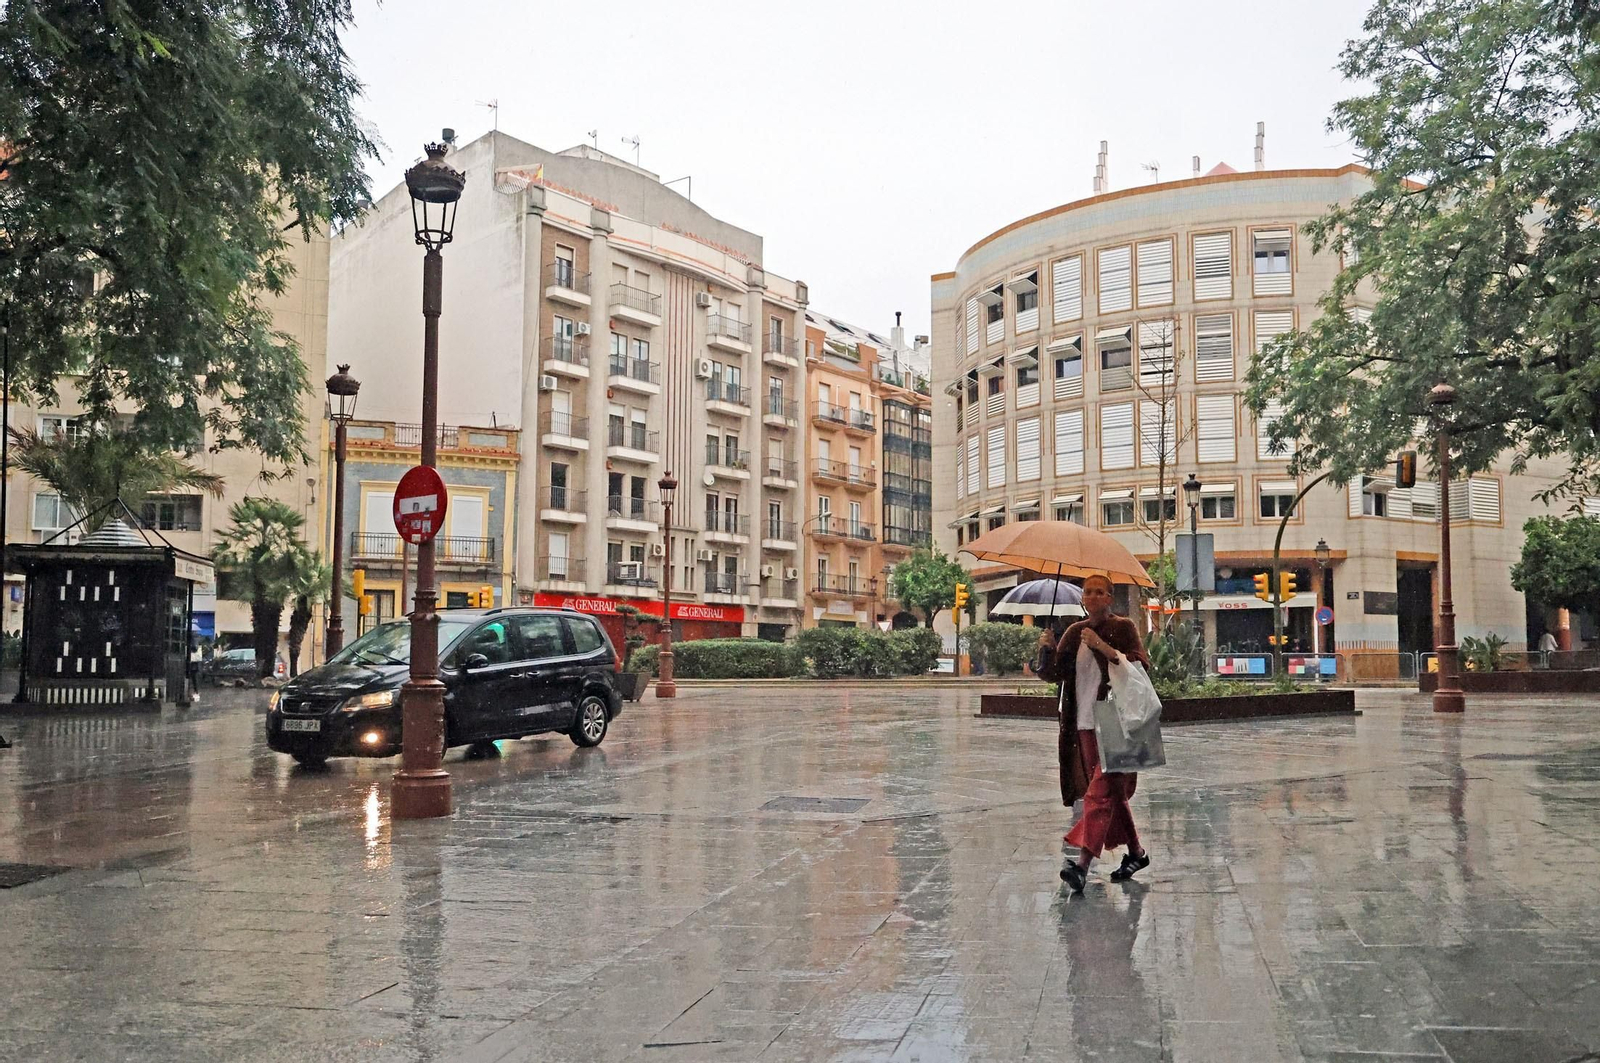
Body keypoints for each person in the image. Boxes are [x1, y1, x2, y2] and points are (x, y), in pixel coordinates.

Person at [1038, 574, 1151, 892]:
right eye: (1088, 592)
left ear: (1110, 597)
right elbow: (1055, 675)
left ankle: (1082, 865)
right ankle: (1137, 853)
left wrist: (1104, 647)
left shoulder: (1123, 627)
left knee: (1098, 794)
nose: (1093, 597)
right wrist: (1046, 651)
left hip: (1116, 720)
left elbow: (1141, 665)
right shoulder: (1073, 633)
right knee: (1111, 791)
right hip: (1083, 725)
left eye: (1100, 592)